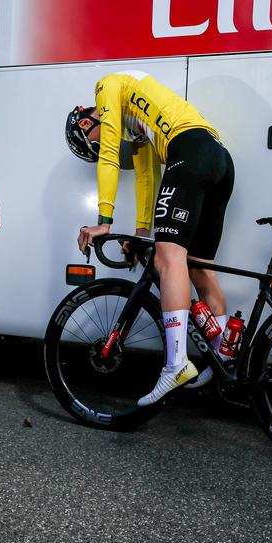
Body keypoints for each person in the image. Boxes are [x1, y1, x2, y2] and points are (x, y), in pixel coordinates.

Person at [67, 71, 235, 406]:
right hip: (219, 158)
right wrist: (142, 232)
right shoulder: (138, 114)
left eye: (93, 143)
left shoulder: (107, 87)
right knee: (200, 267)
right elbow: (147, 175)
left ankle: (175, 365)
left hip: (189, 150)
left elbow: (111, 151)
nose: (100, 146)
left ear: (86, 124)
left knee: (168, 258)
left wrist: (104, 221)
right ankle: (225, 360)